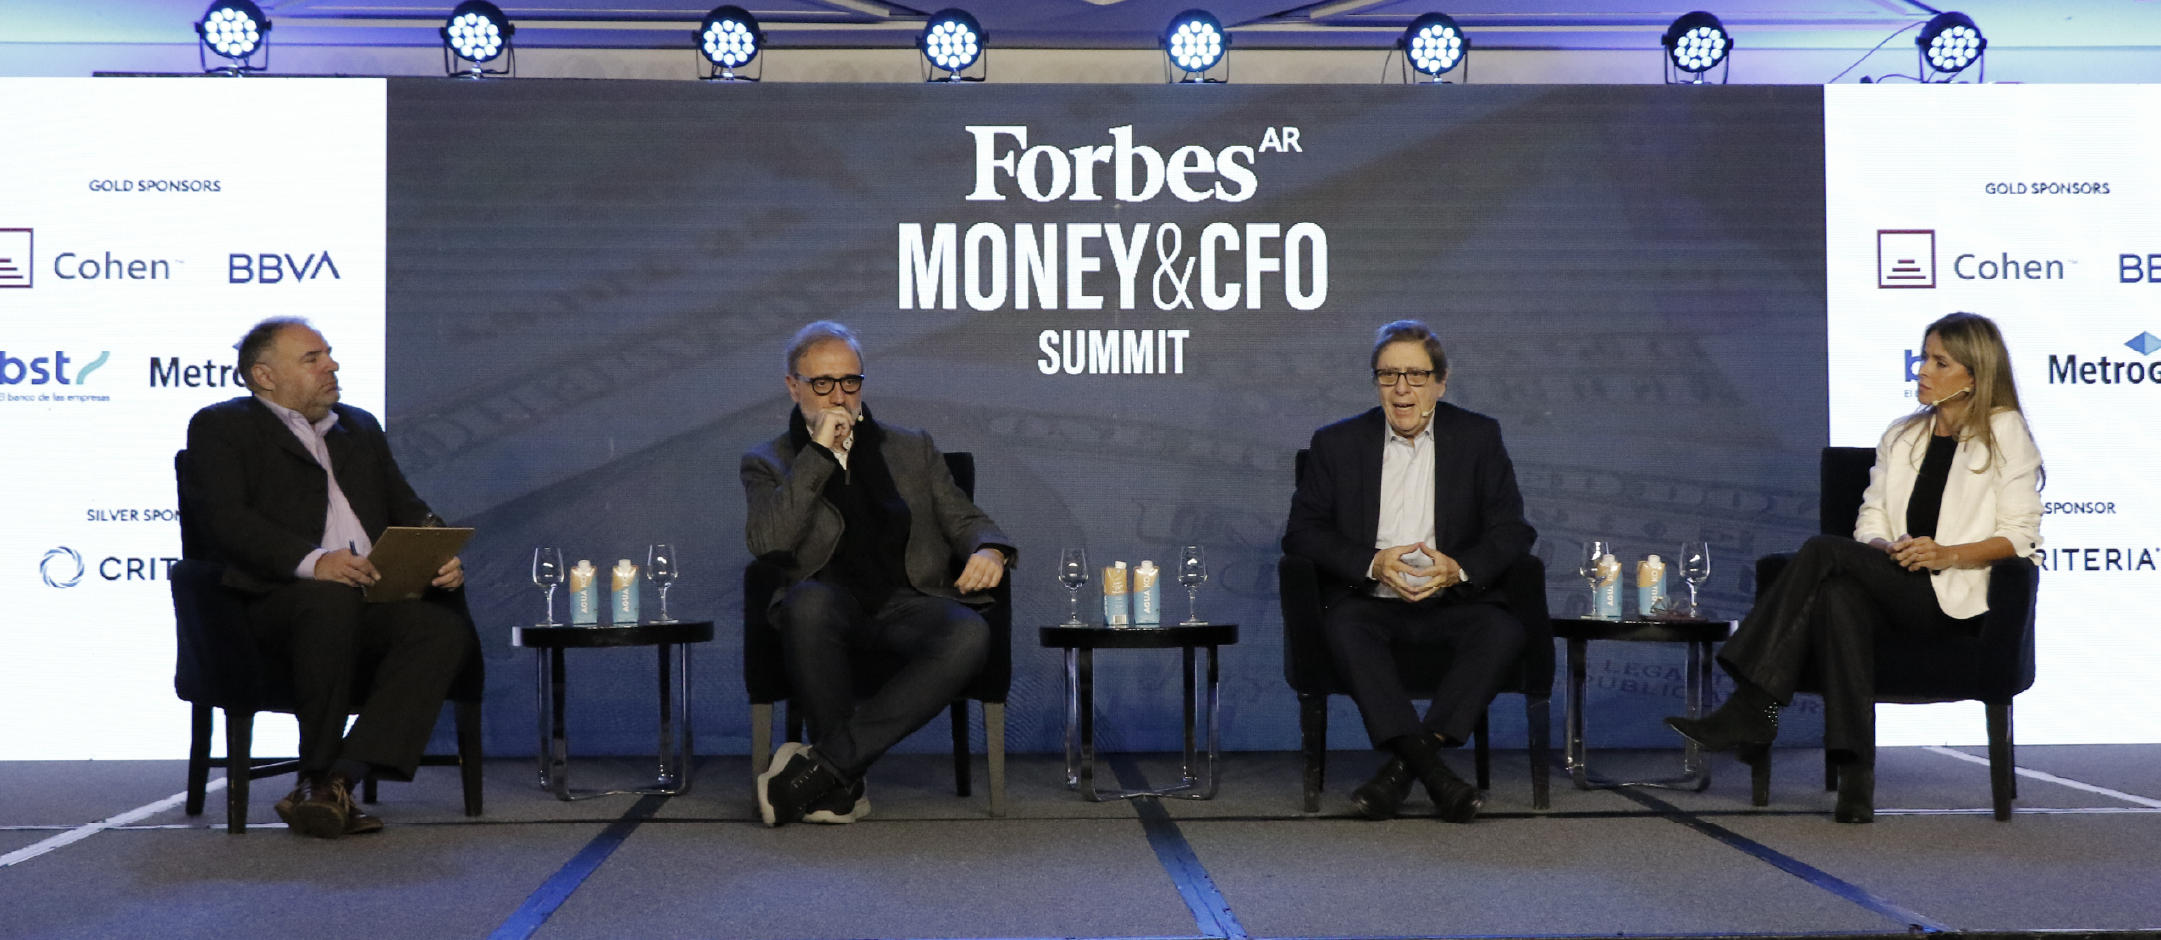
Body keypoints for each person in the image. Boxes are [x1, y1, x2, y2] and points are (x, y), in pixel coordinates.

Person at [1666, 312, 2042, 823]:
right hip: (1896, 581)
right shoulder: (1902, 436)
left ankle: (1753, 704)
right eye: (1924, 358)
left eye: (1940, 362)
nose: (1923, 370)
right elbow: (1870, 521)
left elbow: (2021, 537)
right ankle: (1855, 784)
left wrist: (1946, 553)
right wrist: (1888, 548)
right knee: (1838, 595)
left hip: (1954, 599)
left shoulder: (2004, 431)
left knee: (1824, 551)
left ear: (1973, 376)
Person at [183, 317, 477, 839]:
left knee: (439, 628)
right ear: (264, 376)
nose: (331, 366)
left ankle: (333, 782)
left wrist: (436, 550)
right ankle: (319, 776)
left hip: (368, 599)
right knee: (329, 599)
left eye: (329, 354)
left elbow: (408, 507)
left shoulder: (358, 427)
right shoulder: (222, 427)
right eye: (312, 359)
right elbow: (227, 523)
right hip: (269, 607)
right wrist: (315, 562)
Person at [743, 321, 1015, 828]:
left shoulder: (913, 448)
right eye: (822, 383)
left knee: (969, 634)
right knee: (807, 604)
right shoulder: (769, 460)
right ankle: (839, 781)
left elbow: (966, 520)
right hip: (829, 603)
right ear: (793, 386)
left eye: (850, 381)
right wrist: (818, 455)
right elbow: (768, 541)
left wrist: (991, 550)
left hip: (906, 600)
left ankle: (826, 770)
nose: (838, 396)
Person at [1282, 320, 1536, 823]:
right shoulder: (1337, 443)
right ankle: (1436, 774)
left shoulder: (1478, 437)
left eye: (1416, 376)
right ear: (1376, 381)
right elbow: (1302, 533)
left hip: (1452, 601)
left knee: (1502, 630)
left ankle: (1402, 771)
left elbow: (1513, 530)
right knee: (1343, 626)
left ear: (1440, 382)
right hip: (1371, 602)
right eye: (1388, 375)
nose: (1402, 389)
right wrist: (1372, 563)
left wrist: (1459, 569)